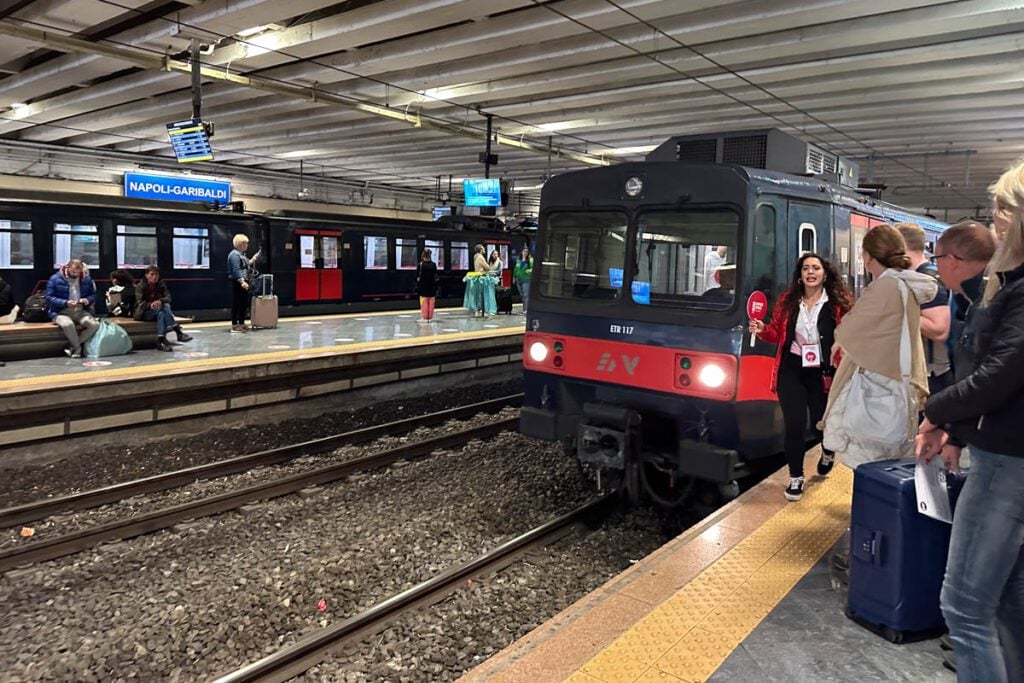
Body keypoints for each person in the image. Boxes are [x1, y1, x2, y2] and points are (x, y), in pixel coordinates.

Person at [917, 165, 1024, 683]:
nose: (996, 224)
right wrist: (957, 428)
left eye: (1004, 212)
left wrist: (936, 412)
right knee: (1007, 600)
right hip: (1004, 453)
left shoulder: (1017, 290)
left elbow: (999, 375)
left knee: (964, 607)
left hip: (1008, 463)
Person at [749, 253, 852, 501]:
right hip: (792, 368)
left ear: (825, 273)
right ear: (800, 274)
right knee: (794, 425)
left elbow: (851, 332)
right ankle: (796, 477)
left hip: (822, 370)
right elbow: (777, 333)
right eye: (805, 268)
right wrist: (763, 330)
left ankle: (827, 450)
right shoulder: (788, 300)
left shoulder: (838, 303)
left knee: (820, 423)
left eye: (815, 268)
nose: (810, 272)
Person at [896, 222, 952, 393]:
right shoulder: (916, 277)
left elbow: (939, 329)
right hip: (921, 372)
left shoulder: (927, 280)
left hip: (932, 374)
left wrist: (899, 312)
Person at [45, 259, 99, 358]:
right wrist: (65, 303)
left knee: (94, 325)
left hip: (80, 309)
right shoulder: (55, 279)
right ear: (67, 268)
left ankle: (72, 346)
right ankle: (77, 348)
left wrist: (87, 300)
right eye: (73, 272)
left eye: (78, 273)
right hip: (61, 311)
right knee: (68, 324)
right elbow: (49, 297)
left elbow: (93, 295)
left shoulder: (86, 278)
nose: (75, 275)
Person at [134, 265, 192, 351]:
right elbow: (140, 303)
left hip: (158, 311)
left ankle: (160, 341)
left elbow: (168, 298)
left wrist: (160, 301)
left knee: (162, 312)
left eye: (157, 274)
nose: (155, 277)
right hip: (144, 312)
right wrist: (151, 304)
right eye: (152, 274)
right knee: (163, 307)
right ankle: (177, 331)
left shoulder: (161, 284)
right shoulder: (141, 286)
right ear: (146, 275)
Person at [227, 234, 259, 332]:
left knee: (243, 303)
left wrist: (252, 260)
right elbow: (236, 269)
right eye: (245, 243)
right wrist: (242, 282)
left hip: (244, 281)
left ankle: (241, 322)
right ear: (240, 244)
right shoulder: (234, 255)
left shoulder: (241, 255)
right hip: (238, 282)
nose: (247, 245)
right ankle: (235, 324)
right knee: (237, 303)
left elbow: (245, 265)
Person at [416, 248, 438, 323]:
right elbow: (435, 276)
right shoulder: (434, 265)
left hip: (423, 286)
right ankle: (430, 317)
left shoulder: (421, 265)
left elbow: (417, 276)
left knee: (424, 301)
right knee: (431, 302)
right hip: (432, 286)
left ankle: (424, 317)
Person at [513, 246, 533, 315]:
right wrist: (514, 277)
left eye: (526, 252)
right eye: (524, 251)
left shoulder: (530, 260)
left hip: (526, 279)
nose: (525, 253)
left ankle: (526, 310)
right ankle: (524, 309)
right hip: (519, 279)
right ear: (521, 252)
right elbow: (515, 269)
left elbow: (533, 269)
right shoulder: (518, 260)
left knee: (526, 295)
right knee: (522, 295)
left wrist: (529, 271)